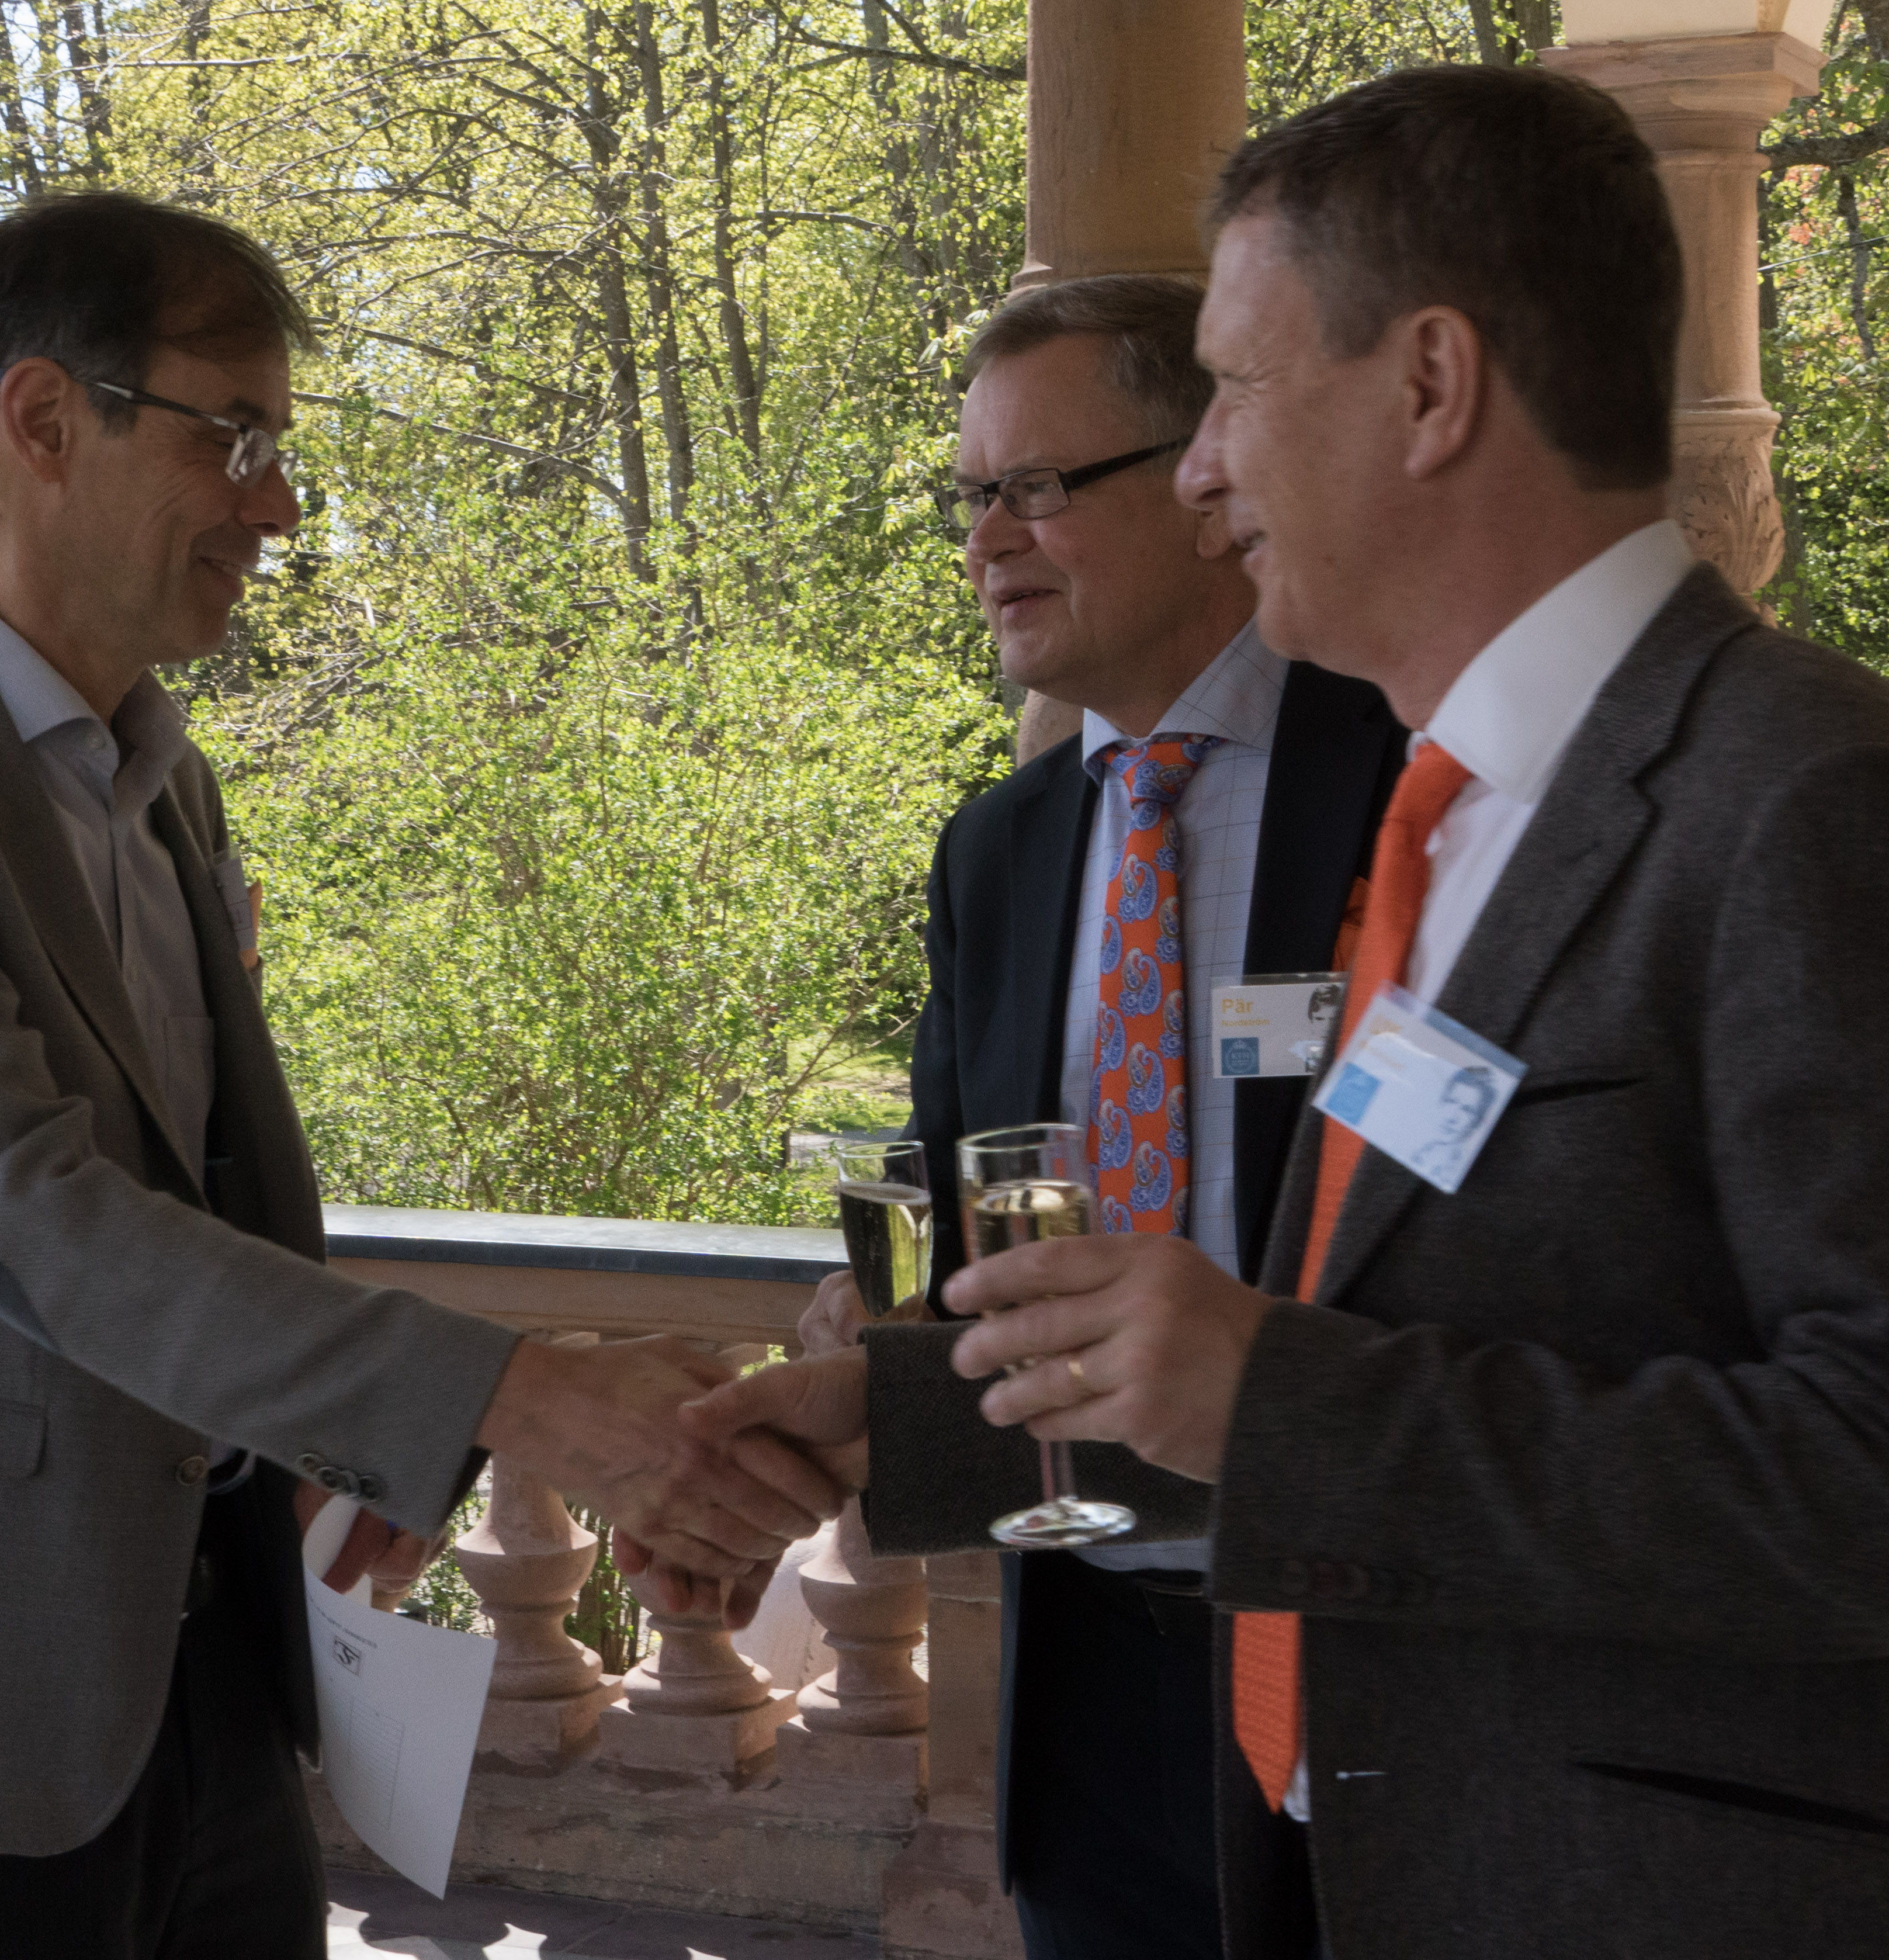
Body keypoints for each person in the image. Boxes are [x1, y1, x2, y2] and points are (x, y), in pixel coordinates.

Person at [690, 65, 1889, 1959]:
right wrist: (904, 1424)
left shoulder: (1813, 799)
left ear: (1431, 386)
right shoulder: (1457, 813)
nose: (1203, 470)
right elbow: (1370, 1359)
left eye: (1235, 389)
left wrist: (1279, 1396)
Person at [0, 191, 838, 1960]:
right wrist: (509, 1396)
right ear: (43, 420)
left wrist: (350, 1433)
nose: (277, 506)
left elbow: (200, 1196)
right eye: (232, 439)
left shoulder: (167, 780)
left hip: (214, 1665)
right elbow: (27, 1210)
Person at [789, 273, 1402, 1959]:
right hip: (1088, 1687)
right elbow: (940, 1219)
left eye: (1039, 486)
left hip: (1368, 1649)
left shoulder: (1411, 779)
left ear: (1206, 482)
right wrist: (863, 1341)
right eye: (972, 496)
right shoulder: (997, 852)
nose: (988, 540)